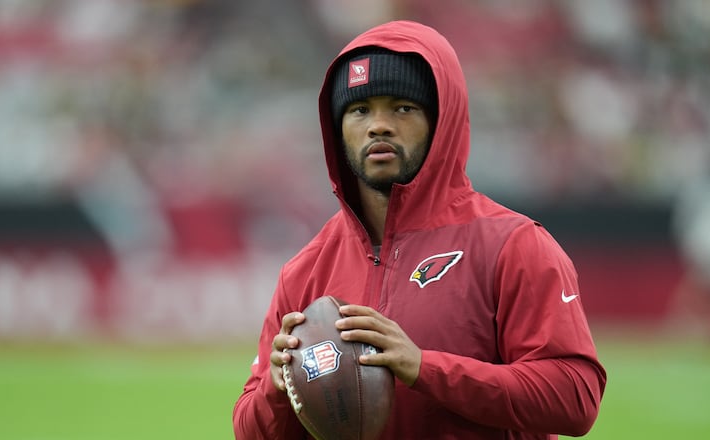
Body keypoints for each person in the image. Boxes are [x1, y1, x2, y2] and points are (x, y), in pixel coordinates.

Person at [233, 20, 606, 439]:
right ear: (336, 129)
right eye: (360, 110)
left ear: (441, 120)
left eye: (403, 107)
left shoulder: (513, 244)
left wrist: (423, 367)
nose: (379, 125)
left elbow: (576, 398)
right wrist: (278, 388)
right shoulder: (305, 270)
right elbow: (250, 430)